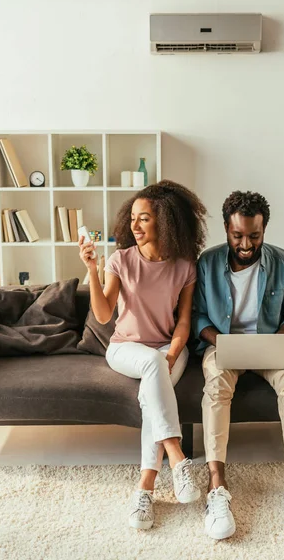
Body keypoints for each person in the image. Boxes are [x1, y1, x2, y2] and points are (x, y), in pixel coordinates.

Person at [79, 180, 207, 530]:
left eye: (144, 218)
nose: (134, 226)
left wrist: (173, 353)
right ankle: (179, 460)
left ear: (165, 221)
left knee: (151, 390)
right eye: (132, 217)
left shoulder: (184, 266)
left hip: (168, 348)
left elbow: (183, 322)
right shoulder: (121, 260)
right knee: (151, 366)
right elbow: (104, 315)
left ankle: (145, 489)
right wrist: (92, 268)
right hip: (125, 348)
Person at [193, 190, 284, 542]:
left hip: (270, 344)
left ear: (264, 229)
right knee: (216, 385)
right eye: (238, 236)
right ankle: (216, 486)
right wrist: (221, 342)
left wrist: (281, 337)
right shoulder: (207, 263)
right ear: (226, 229)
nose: (246, 244)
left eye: (254, 235)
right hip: (224, 344)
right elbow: (198, 316)